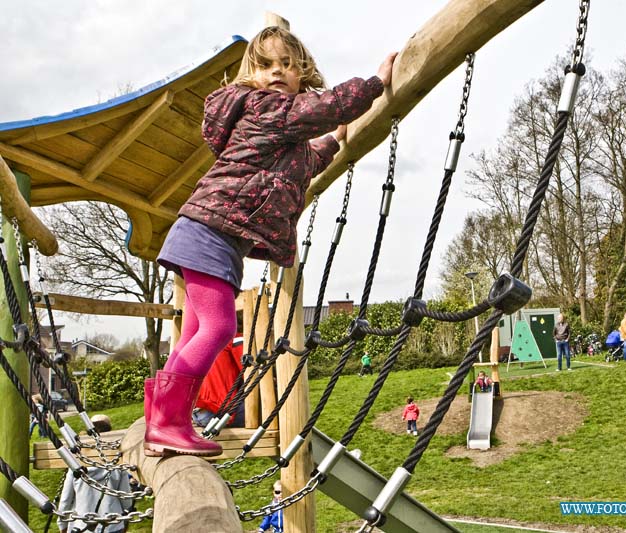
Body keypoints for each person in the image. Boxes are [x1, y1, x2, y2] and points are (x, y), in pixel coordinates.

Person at [145, 26, 397, 457]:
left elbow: (304, 161)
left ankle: (162, 421)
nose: (276, 72)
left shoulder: (279, 132)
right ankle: (167, 423)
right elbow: (328, 105)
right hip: (210, 230)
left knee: (193, 330)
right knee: (220, 327)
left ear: (302, 72)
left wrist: (336, 140)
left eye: (287, 64)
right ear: (252, 74)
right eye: (266, 65)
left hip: (210, 232)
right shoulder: (267, 107)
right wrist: (375, 83)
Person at [57, 415, 133, 533]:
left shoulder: (76, 465)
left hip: (83, 522)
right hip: (112, 522)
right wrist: (125, 518)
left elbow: (66, 499)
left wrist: (62, 524)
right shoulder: (117, 464)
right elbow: (125, 496)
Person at [192, 333, 245, 429]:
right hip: (216, 413)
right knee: (270, 407)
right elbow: (251, 374)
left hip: (196, 414)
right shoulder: (236, 338)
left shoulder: (201, 341)